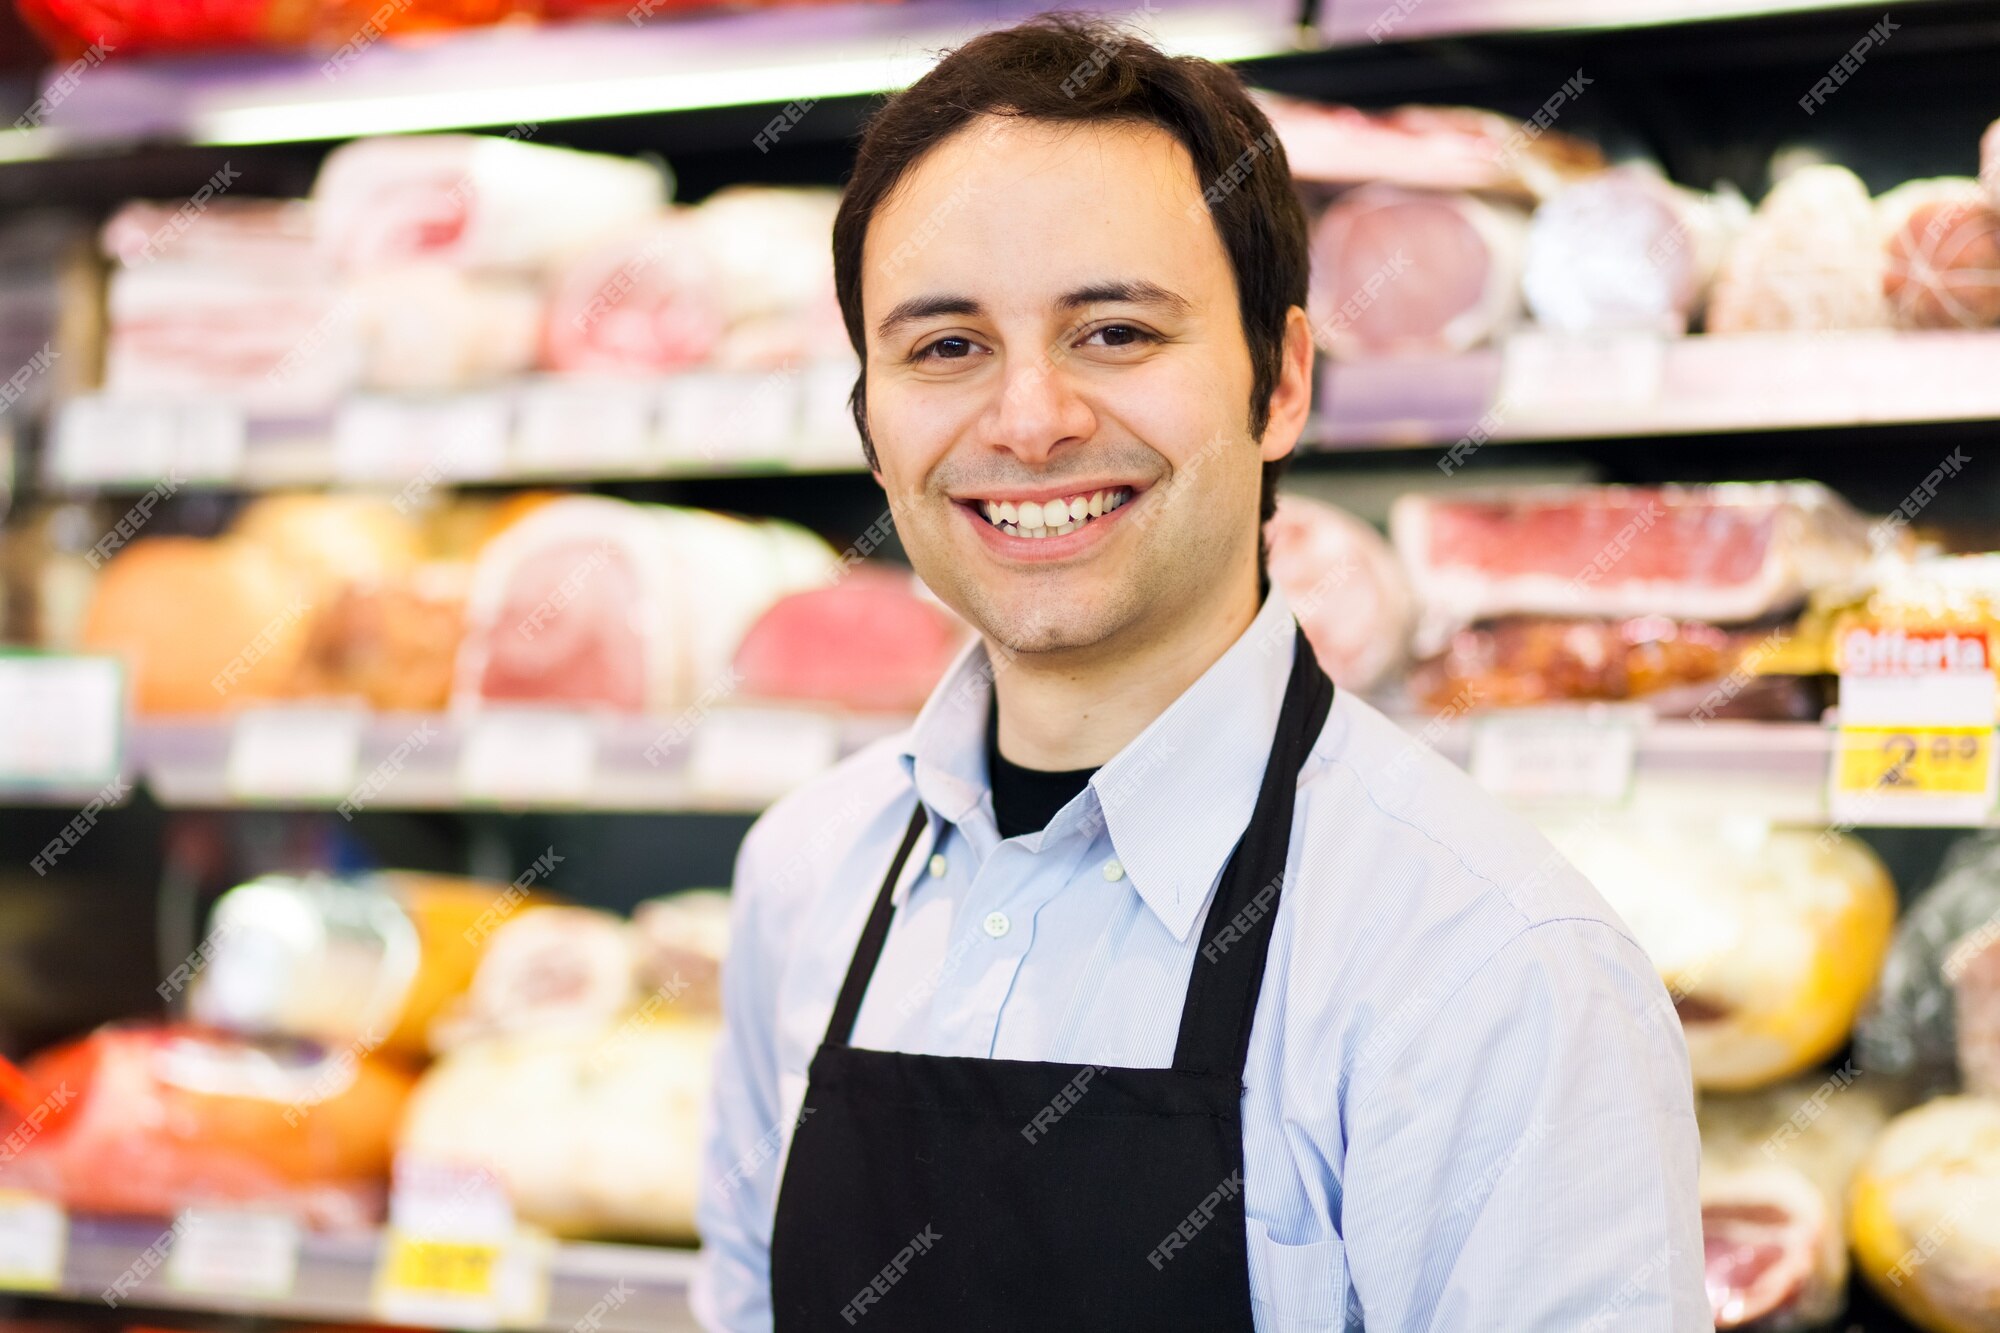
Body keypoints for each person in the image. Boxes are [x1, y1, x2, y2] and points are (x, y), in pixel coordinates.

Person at [694, 13, 1706, 1331]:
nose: (1030, 418)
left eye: (1114, 331)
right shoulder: (802, 877)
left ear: (1281, 381)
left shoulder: (1490, 965)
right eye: (947, 346)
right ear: (872, 426)